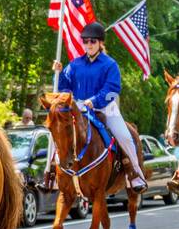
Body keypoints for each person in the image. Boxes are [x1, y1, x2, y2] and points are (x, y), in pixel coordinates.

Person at [51, 21, 147, 191]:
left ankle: (135, 174)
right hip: (79, 109)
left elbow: (112, 89)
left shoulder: (110, 65)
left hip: (105, 108)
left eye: (93, 41)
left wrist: (94, 101)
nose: (89, 44)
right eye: (86, 41)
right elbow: (63, 89)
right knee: (58, 132)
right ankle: (51, 173)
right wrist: (58, 73)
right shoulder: (74, 64)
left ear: (101, 43)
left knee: (124, 136)